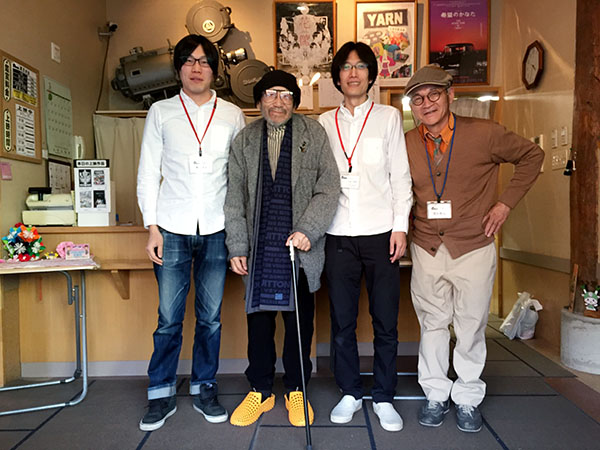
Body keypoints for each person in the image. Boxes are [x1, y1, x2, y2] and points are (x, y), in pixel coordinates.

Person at [404, 64, 544, 433]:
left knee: (470, 324)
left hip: (473, 245)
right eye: (417, 99)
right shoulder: (406, 142)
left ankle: (467, 396)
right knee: (432, 323)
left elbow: (532, 156)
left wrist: (505, 204)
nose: (426, 103)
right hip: (426, 247)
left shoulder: (485, 133)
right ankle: (435, 393)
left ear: (450, 95)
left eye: (434, 94)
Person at [136, 34, 245, 431]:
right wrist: (152, 228)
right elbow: (148, 172)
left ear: (215, 70)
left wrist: (238, 234)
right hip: (172, 227)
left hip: (217, 228)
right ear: (179, 68)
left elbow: (239, 178)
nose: (197, 68)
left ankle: (204, 388)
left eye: (204, 61)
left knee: (210, 318)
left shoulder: (232, 114)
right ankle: (160, 393)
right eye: (189, 61)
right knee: (168, 317)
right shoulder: (161, 112)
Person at [224, 70, 340, 427]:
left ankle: (297, 389)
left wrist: (308, 230)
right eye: (271, 94)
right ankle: (260, 390)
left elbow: (328, 188)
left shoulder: (312, 133)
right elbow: (234, 198)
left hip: (299, 249)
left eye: (286, 95)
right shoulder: (245, 140)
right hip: (259, 248)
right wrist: (237, 244)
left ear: (295, 101)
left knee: (299, 324)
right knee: (259, 324)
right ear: (259, 100)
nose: (278, 102)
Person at [318, 41, 413, 432]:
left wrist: (400, 226)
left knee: (385, 320)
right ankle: (350, 392)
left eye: (360, 67)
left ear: (371, 75)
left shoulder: (388, 118)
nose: (353, 73)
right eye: (346, 67)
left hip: (380, 234)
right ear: (337, 76)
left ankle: (384, 396)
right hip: (337, 234)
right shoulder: (324, 123)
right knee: (342, 321)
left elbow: (400, 176)